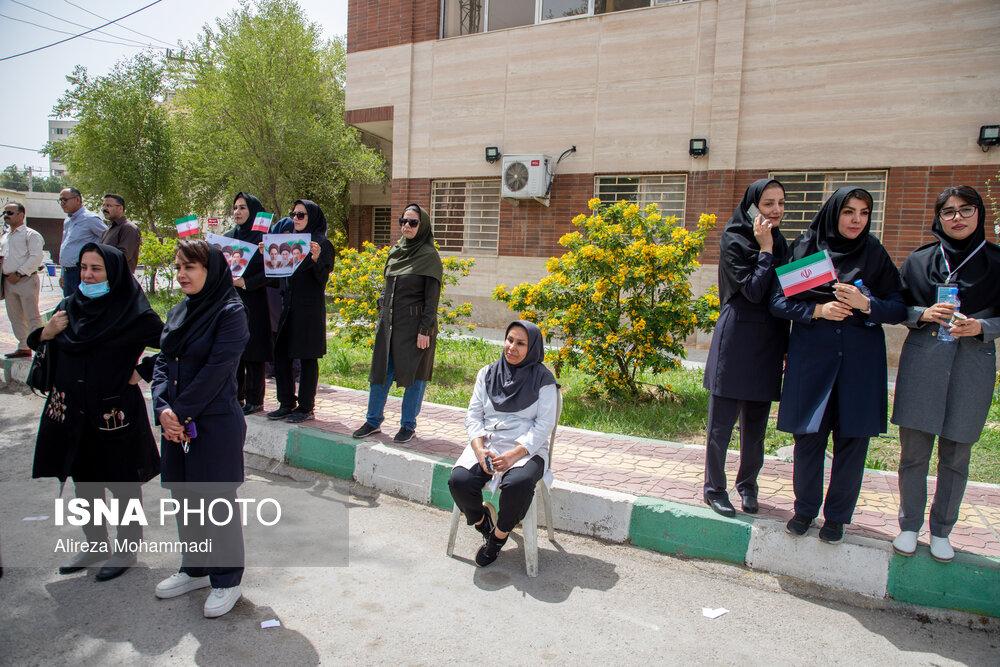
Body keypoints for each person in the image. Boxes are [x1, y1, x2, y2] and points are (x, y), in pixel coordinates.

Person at [769, 187, 906, 544]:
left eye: (864, 212)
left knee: (852, 439)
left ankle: (837, 518)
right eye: (848, 211)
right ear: (833, 213)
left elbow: (898, 307)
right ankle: (804, 510)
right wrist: (819, 309)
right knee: (809, 437)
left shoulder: (873, 252)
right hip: (813, 359)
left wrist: (866, 304)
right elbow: (777, 302)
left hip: (860, 364)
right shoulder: (809, 248)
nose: (856, 219)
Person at [28, 243, 163, 582]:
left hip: (115, 413)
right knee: (84, 481)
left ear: (113, 273)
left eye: (96, 269)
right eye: (84, 267)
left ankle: (127, 548)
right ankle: (96, 544)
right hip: (71, 412)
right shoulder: (68, 307)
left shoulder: (133, 313)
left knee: (122, 483)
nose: (87, 275)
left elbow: (177, 345)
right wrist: (47, 332)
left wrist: (143, 370)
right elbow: (38, 342)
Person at [891, 186, 1000, 562]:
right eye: (948, 211)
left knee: (956, 455)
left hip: (972, 366)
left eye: (965, 209)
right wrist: (922, 313)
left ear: (978, 213)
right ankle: (908, 526)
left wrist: (983, 327)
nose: (957, 218)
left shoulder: (996, 261)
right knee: (913, 453)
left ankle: (942, 531)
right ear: (938, 218)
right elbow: (896, 306)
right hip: (923, 365)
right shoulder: (920, 260)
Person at [151, 239, 249, 619]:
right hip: (176, 424)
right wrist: (162, 408)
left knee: (216, 503)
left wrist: (179, 413)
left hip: (214, 423)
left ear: (211, 270)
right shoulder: (180, 311)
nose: (181, 274)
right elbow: (162, 362)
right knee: (185, 500)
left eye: (189, 267)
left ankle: (227, 579)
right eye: (178, 267)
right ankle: (195, 569)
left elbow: (216, 371)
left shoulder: (230, 313)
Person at [702, 179, 789, 517]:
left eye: (781, 203)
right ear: (752, 208)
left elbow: (785, 297)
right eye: (768, 204)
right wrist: (765, 250)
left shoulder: (783, 244)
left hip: (769, 341)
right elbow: (753, 291)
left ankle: (748, 486)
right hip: (737, 339)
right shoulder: (734, 239)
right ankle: (714, 489)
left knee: (755, 429)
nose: (776, 210)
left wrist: (786, 345)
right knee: (721, 426)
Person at [448, 321, 558, 567]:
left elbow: (544, 425)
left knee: (518, 484)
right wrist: (479, 449)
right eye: (509, 340)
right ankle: (482, 523)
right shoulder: (487, 374)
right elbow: (473, 416)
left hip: (527, 448)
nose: (512, 347)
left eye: (521, 343)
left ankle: (498, 538)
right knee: (459, 481)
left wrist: (514, 455)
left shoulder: (544, 381)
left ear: (532, 348)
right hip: (489, 442)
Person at [353, 203, 442, 443]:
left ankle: (408, 425)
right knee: (381, 372)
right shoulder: (396, 252)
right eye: (403, 221)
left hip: (416, 328)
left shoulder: (429, 256)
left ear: (422, 225)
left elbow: (432, 300)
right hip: (389, 325)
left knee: (414, 376)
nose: (407, 226)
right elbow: (388, 287)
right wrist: (381, 312)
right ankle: (372, 421)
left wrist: (425, 330)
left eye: (413, 222)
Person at [266, 200, 334, 423]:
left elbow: (321, 280)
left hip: (309, 310)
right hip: (288, 307)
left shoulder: (322, 244)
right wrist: (267, 257)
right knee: (282, 354)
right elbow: (277, 278)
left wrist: (315, 259)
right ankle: (286, 403)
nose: (295, 218)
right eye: (293, 214)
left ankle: (306, 407)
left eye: (301, 215)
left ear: (311, 217)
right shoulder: (288, 242)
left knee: (307, 358)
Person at [226, 193, 272, 415]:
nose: (237, 212)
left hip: (254, 301)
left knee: (253, 351)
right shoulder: (228, 238)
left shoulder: (263, 240)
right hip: (230, 302)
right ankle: (236, 396)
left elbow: (271, 273)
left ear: (253, 211)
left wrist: (245, 282)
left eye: (243, 207)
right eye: (235, 207)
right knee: (234, 350)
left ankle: (255, 399)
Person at [2, 202, 45, 358]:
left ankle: (41, 348)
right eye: (5, 212)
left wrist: (19, 273)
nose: (6, 215)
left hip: (25, 280)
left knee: (32, 315)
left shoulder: (31, 235)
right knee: (15, 316)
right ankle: (24, 347)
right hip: (8, 281)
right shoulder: (5, 236)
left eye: (10, 213)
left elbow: (36, 257)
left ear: (21, 215)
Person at [57, 187, 106, 296]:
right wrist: (63, 273)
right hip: (68, 272)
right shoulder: (68, 221)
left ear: (77, 200)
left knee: (84, 303)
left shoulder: (90, 218)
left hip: (83, 272)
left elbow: (107, 238)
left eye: (65, 200)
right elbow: (66, 246)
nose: (62, 203)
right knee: (70, 304)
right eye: (60, 200)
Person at [100, 194, 141, 273]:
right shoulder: (108, 230)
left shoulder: (129, 228)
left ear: (120, 208)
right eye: (103, 205)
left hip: (120, 278)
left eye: (108, 206)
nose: (104, 209)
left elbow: (123, 256)